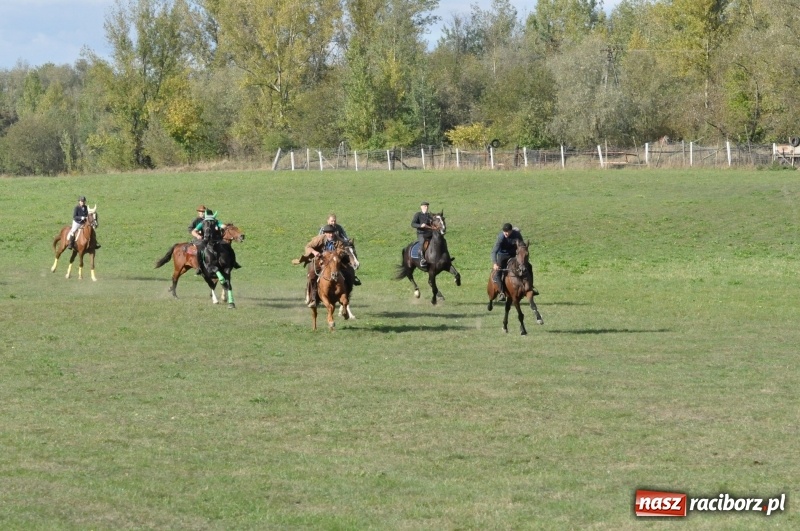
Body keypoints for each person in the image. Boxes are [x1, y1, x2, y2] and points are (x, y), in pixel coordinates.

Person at [297, 224, 356, 307]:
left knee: (349, 274)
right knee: (311, 275)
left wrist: (338, 254)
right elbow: (308, 247)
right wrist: (314, 252)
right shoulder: (319, 239)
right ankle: (313, 298)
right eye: (328, 233)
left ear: (334, 233)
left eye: (332, 233)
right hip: (321, 260)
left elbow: (342, 249)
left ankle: (346, 295)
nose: (330, 235)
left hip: (334, 261)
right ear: (325, 233)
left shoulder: (339, 240)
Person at [318, 213, 361, 286]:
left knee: (347, 260)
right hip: (325, 251)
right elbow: (319, 239)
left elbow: (345, 237)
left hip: (337, 251)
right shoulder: (324, 229)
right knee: (317, 265)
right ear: (328, 221)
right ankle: (315, 279)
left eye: (334, 221)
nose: (333, 222)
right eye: (332, 221)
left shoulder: (339, 228)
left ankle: (352, 276)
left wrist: (347, 242)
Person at [491, 223, 524, 302]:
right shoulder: (501, 237)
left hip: (513, 255)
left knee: (526, 267)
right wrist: (495, 263)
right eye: (504, 231)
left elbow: (522, 245)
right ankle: (502, 292)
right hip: (502, 255)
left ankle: (529, 287)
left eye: (507, 232)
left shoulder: (517, 234)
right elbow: (494, 251)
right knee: (498, 272)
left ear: (511, 231)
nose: (506, 233)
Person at [192, 210, 226, 275]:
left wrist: (220, 228)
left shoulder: (216, 222)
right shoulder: (202, 222)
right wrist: (198, 236)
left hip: (216, 240)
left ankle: (232, 262)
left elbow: (223, 226)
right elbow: (194, 231)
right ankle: (199, 267)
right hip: (205, 240)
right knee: (199, 250)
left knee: (226, 247)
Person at [411, 201, 433, 267]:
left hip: (429, 233)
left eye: (427, 206)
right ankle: (422, 259)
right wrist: (420, 225)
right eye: (424, 206)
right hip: (421, 233)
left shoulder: (430, 215)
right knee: (422, 243)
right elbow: (413, 224)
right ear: (421, 207)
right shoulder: (418, 214)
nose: (426, 207)